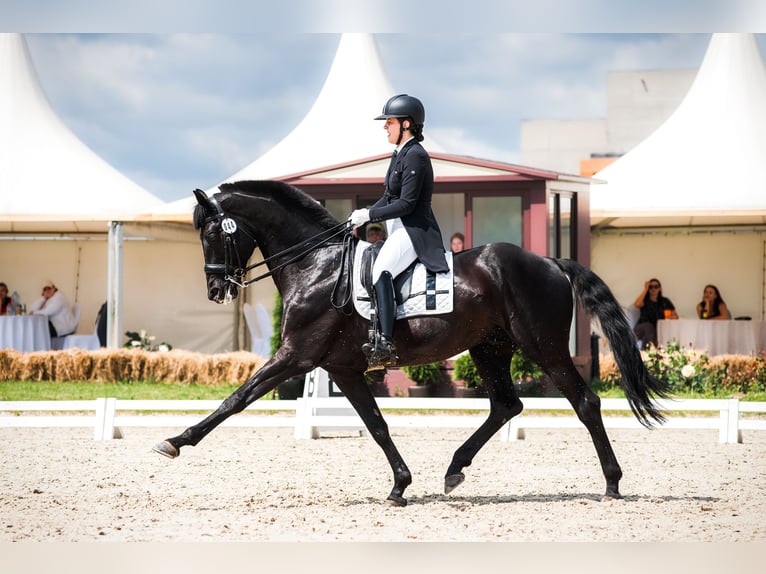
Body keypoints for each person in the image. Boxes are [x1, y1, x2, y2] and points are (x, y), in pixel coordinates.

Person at [348, 94, 449, 370]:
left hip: (414, 230)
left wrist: (370, 214)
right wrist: (362, 217)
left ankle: (385, 342)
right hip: (398, 229)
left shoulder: (415, 155)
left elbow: (406, 204)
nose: (385, 127)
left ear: (407, 124)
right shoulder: (399, 155)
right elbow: (388, 198)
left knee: (382, 271)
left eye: (389, 122)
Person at [632, 278, 678, 349]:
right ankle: (655, 349)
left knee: (648, 337)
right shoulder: (645, 300)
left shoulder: (665, 301)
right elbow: (636, 304)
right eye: (650, 287)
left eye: (656, 287)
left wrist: (668, 318)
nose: (653, 289)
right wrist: (645, 289)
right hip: (641, 328)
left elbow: (676, 316)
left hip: (657, 330)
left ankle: (648, 353)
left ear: (659, 288)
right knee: (648, 326)